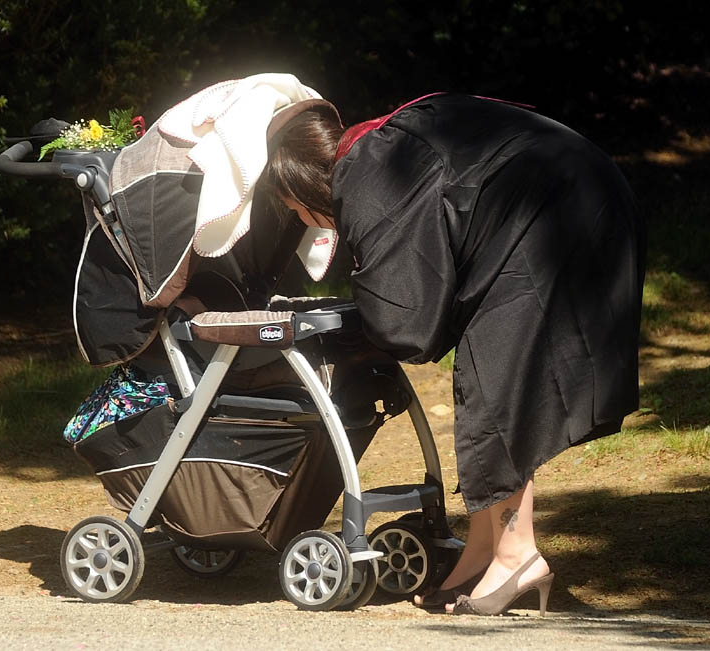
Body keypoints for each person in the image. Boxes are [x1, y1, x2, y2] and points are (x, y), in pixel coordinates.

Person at [262, 91, 645, 616]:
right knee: (488, 373)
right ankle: (487, 551)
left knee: (495, 380)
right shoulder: (378, 149)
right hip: (582, 192)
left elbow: (404, 318)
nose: (305, 220)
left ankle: (517, 555)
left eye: (292, 207)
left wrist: (360, 329)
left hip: (552, 209)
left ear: (301, 183)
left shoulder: (364, 171)